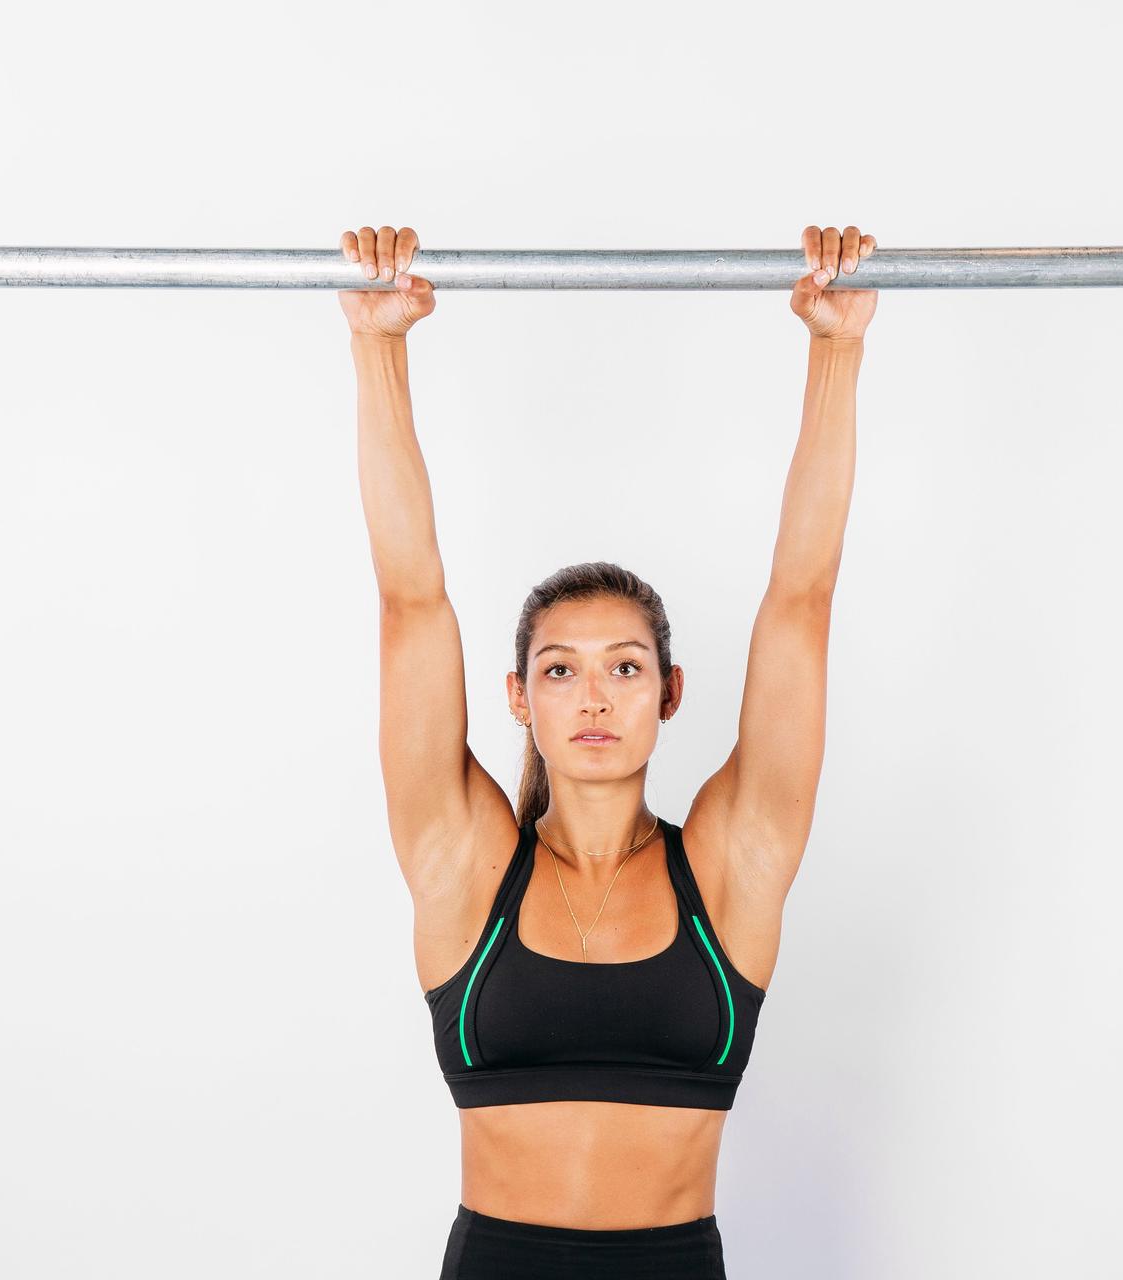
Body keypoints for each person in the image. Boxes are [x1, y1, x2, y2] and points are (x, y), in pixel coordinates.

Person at [342, 222, 875, 1278]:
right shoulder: (465, 864)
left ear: (670, 692)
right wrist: (377, 345)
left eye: (625, 667)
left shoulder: (730, 864)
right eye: (559, 670)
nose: (593, 695)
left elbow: (801, 603)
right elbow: (410, 601)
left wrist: (836, 349)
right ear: (517, 698)